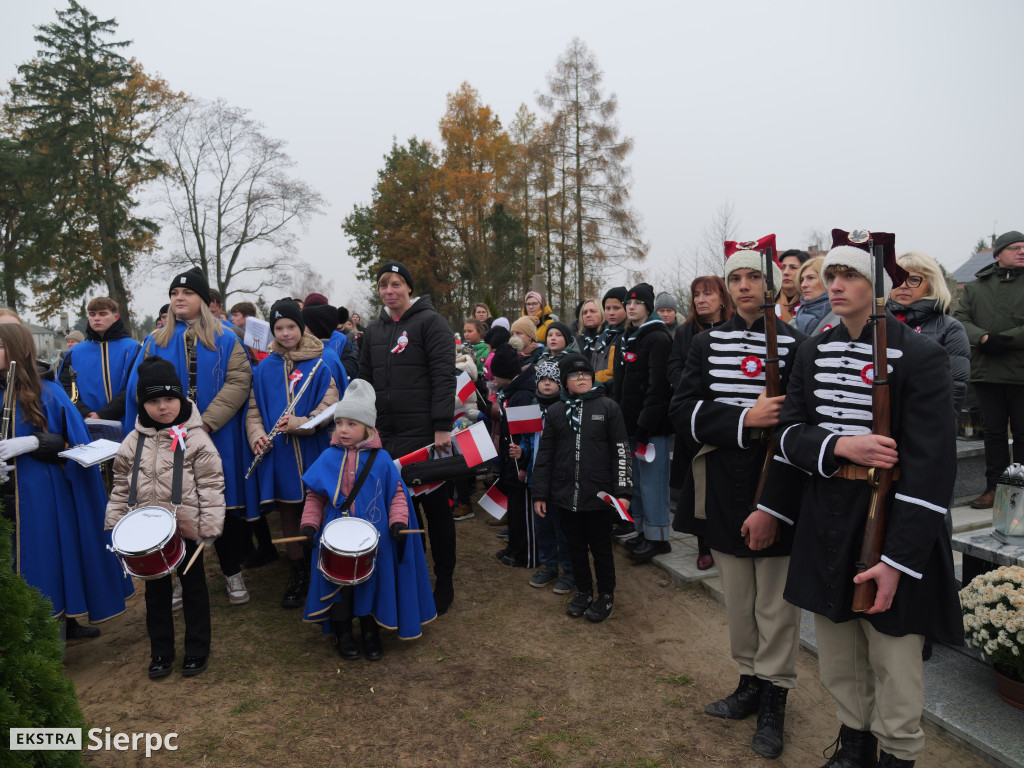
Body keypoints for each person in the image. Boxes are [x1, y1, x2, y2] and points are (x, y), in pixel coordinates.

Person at [759, 229, 962, 768]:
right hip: (826, 515)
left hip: (894, 521)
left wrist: (897, 560)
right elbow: (787, 434)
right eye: (833, 275)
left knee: (894, 656)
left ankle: (898, 753)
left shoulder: (920, 355)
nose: (839, 283)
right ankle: (854, 743)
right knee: (838, 653)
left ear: (877, 285)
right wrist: (840, 445)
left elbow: (933, 467)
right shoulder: (814, 350)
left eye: (851, 274)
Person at [670, 237, 807, 759]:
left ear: (769, 283)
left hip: (777, 483)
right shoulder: (706, 344)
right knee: (739, 598)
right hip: (724, 483)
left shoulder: (796, 345)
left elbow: (805, 421)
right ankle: (749, 682)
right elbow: (683, 412)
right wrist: (745, 418)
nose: (744, 286)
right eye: (736, 279)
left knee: (775, 601)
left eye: (753, 277)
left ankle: (775, 698)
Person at [126, 267, 257, 606]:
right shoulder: (155, 341)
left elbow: (239, 382)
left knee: (218, 504)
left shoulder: (228, 338)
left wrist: (206, 423)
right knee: (175, 506)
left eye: (187, 293)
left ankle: (232, 572)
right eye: (174, 294)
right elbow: (137, 391)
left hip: (217, 434)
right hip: (167, 440)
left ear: (203, 299)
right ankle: (182, 577)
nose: (179, 298)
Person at [0, 323, 133, 642]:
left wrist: (33, 443)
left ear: (21, 351)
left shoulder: (48, 391)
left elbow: (74, 445)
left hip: (40, 498)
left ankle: (48, 648)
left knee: (40, 568)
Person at [300, 379, 436, 659]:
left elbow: (397, 495)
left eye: (352, 423)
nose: (343, 429)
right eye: (340, 423)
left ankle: (370, 630)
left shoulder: (383, 459)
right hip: (335, 535)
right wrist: (309, 524)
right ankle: (343, 631)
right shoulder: (327, 457)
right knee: (338, 585)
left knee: (371, 582)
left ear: (367, 428)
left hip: (374, 537)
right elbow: (316, 496)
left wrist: (398, 522)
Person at [105, 358, 224, 678]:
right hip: (147, 536)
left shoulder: (196, 438)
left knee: (194, 590)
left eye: (169, 399)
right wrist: (115, 524)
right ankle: (161, 652)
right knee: (156, 596)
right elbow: (120, 485)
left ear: (181, 398)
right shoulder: (133, 440)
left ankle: (197, 649)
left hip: (186, 530)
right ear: (142, 404)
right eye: (153, 401)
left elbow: (212, 484)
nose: (163, 407)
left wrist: (210, 527)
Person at [358, 261, 457, 614]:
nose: (389, 291)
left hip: (425, 435)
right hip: (387, 437)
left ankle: (444, 580)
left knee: (436, 512)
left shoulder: (432, 323)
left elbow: (445, 376)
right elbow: (365, 383)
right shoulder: (373, 331)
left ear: (409, 288)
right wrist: (366, 428)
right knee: (401, 513)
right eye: (384, 285)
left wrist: (442, 424)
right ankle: (410, 577)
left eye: (396, 284)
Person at [247, 299, 340, 609]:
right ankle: (297, 570)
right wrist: (257, 435)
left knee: (320, 509)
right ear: (272, 332)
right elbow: (253, 410)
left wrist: (300, 424)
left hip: (315, 451)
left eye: (291, 327)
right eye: (279, 328)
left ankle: (323, 566)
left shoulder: (320, 364)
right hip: (281, 456)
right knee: (289, 511)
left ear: (301, 329)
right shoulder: (263, 369)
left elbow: (330, 406)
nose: (285, 333)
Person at [533, 354, 632, 621]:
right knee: (574, 545)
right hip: (565, 495)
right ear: (565, 381)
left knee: (601, 548)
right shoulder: (556, 412)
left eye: (586, 374)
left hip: (599, 495)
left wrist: (623, 492)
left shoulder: (609, 407)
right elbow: (546, 455)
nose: (582, 378)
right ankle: (584, 590)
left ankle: (606, 594)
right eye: (576, 375)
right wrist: (540, 493)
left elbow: (621, 452)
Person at [666, 275, 734, 571]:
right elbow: (674, 367)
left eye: (708, 294)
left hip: (730, 418)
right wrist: (695, 389)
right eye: (696, 294)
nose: (701, 299)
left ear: (722, 297)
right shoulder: (684, 332)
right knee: (700, 486)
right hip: (697, 419)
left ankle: (730, 540)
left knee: (729, 482)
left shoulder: (735, 328)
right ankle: (704, 546)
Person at [953, 230, 1024, 509]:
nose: (1021, 252)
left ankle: (1019, 492)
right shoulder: (975, 287)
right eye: (1015, 248)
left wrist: (1007, 340)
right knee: (993, 434)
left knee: (1022, 434)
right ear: (999, 254)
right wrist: (983, 338)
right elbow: (960, 320)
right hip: (986, 372)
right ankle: (994, 488)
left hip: (1021, 373)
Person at [612, 283, 674, 563]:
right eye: (628, 303)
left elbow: (657, 388)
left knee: (653, 483)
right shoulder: (630, 336)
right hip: (630, 424)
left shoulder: (657, 338)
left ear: (648, 307)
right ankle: (642, 531)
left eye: (637, 303)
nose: (631, 307)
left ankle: (659, 538)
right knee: (636, 482)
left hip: (651, 428)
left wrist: (644, 426)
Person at [887, 252, 969, 415]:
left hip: (926, 425)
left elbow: (955, 389)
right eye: (898, 277)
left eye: (914, 279)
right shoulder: (873, 323)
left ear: (931, 285)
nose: (903, 285)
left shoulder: (949, 328)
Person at [525, 358, 574, 594]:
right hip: (537, 476)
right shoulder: (530, 408)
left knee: (562, 527)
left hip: (560, 478)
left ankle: (569, 570)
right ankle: (549, 566)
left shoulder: (567, 409)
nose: (546, 384)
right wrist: (521, 454)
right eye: (542, 379)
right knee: (542, 525)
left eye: (552, 380)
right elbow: (526, 440)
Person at [57, 297, 141, 433]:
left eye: (103, 314)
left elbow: (135, 386)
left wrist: (103, 415)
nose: (96, 318)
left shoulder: (132, 349)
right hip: (85, 423)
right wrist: (85, 413)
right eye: (92, 314)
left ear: (116, 317)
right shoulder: (75, 353)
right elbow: (65, 387)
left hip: (126, 422)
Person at [490, 343, 539, 568]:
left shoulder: (523, 396)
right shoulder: (510, 392)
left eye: (495, 375)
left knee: (523, 512)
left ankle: (527, 554)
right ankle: (514, 546)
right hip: (511, 461)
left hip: (522, 464)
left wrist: (524, 465)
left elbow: (527, 436)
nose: (492, 379)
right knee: (515, 510)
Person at [301, 298, 358, 383]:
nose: (301, 329)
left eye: (304, 325)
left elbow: (351, 365)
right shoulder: (302, 343)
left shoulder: (326, 355)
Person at [792, 256, 838, 336]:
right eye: (802, 280)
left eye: (811, 278)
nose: (803, 285)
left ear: (827, 280)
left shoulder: (842, 317)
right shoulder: (795, 320)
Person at [596, 288, 627, 386]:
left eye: (616, 308)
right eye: (608, 308)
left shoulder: (628, 336)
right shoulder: (602, 337)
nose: (611, 313)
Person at [775, 249, 809, 322]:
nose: (786, 272)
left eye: (793, 267)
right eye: (782, 268)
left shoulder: (812, 303)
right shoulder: (769, 301)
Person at [575, 299, 606, 374]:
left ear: (602, 313)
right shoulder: (577, 340)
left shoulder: (608, 338)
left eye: (593, 311)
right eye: (584, 312)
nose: (588, 315)